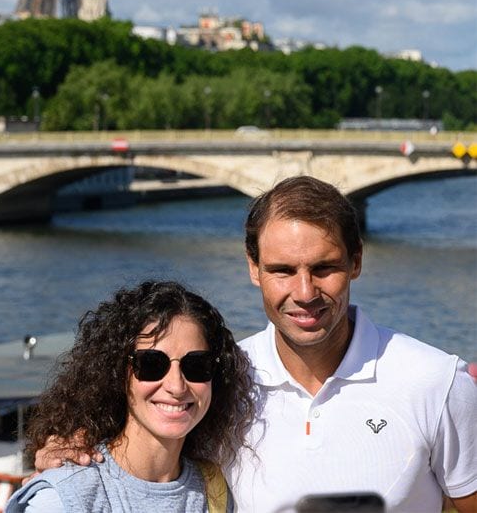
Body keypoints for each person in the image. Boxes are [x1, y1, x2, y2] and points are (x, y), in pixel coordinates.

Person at [33, 177, 477, 513]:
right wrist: (70, 450)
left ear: (356, 261)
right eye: (282, 270)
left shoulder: (437, 382)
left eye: (324, 268)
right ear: (253, 268)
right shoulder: (215, 378)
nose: (304, 292)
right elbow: (140, 437)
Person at [6, 280, 254, 512]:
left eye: (197, 365)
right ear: (117, 373)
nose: (176, 386)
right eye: (152, 364)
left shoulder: (213, 491)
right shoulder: (69, 497)